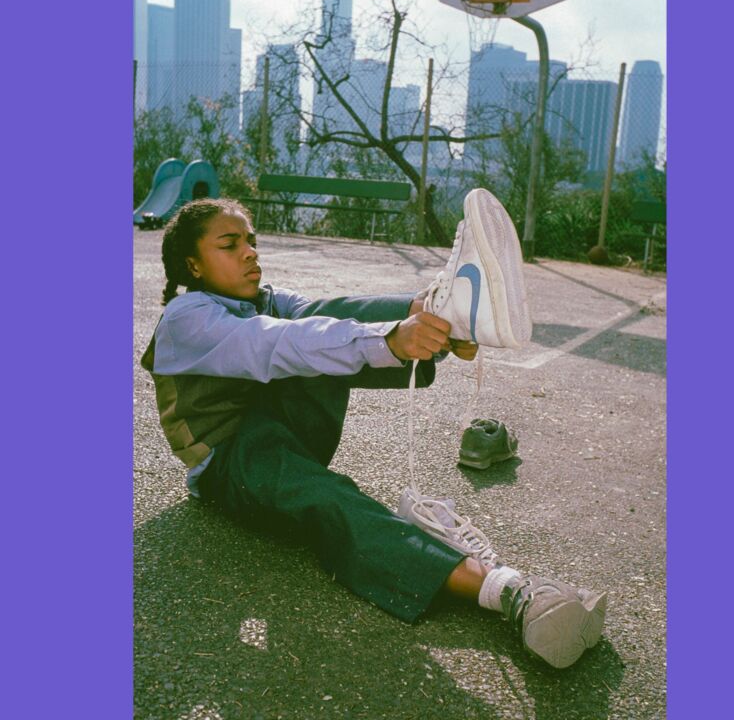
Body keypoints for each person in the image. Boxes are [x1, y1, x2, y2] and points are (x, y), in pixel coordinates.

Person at [140, 194, 606, 669]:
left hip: (279, 430)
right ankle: (507, 591)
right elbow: (274, 344)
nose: (250, 252)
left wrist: (431, 330)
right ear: (193, 265)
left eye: (251, 240)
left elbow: (326, 313)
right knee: (331, 495)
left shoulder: (267, 299)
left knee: (322, 318)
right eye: (230, 244)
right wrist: (390, 340)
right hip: (228, 463)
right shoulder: (186, 317)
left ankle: (441, 306)